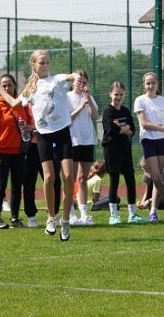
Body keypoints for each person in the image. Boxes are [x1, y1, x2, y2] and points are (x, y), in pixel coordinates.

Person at [0, 50, 79, 242]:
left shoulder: (57, 80)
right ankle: (50, 217)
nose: (45, 66)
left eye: (47, 62)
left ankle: (65, 220)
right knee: (49, 177)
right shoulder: (30, 89)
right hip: (44, 136)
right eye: (41, 63)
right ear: (34, 65)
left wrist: (77, 76)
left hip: (62, 132)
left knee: (68, 176)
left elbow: (71, 76)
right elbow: (14, 103)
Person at [0, 74, 30, 229]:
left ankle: (15, 218)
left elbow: (29, 121)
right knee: (0, 186)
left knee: (17, 186)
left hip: (19, 152)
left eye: (9, 85)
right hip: (1, 152)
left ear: (15, 86)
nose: (6, 88)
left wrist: (30, 129)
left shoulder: (21, 103)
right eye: (3, 85)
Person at [133, 72, 164, 223]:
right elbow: (144, 124)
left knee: (162, 175)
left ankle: (153, 212)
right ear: (143, 85)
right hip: (148, 141)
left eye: (153, 83)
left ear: (157, 84)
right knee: (156, 177)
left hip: (162, 142)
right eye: (147, 83)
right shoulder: (140, 100)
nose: (150, 86)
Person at [101, 81, 146, 224]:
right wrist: (123, 129)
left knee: (130, 180)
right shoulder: (108, 111)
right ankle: (113, 215)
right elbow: (110, 131)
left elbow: (132, 129)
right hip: (111, 150)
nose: (118, 97)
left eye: (121, 94)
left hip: (125, 149)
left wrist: (122, 129)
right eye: (116, 94)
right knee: (114, 181)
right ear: (110, 95)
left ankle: (132, 214)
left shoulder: (126, 111)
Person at [67, 69, 99, 226]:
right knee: (71, 179)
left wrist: (88, 99)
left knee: (83, 178)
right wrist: (80, 106)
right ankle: (70, 213)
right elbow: (67, 119)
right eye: (79, 82)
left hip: (88, 139)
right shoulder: (67, 97)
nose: (81, 85)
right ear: (73, 82)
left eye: (84, 83)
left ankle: (84, 214)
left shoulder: (88, 97)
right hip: (73, 140)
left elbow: (94, 116)